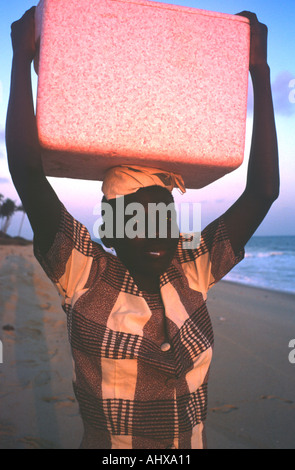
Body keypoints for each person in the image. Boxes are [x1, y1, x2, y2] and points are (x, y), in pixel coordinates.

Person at [6, 7, 279, 449]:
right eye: (136, 220)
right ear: (109, 231)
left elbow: (263, 192)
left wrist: (259, 71)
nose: (156, 232)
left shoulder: (192, 267)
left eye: (165, 217)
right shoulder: (83, 273)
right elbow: (28, 173)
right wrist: (21, 59)